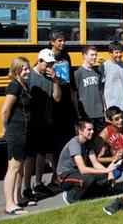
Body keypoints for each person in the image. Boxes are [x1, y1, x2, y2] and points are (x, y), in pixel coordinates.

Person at [23, 49, 62, 201]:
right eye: (47, 63)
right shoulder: (29, 75)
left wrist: (55, 81)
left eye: (52, 64)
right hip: (32, 121)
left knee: (42, 154)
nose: (49, 66)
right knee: (30, 156)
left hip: (46, 120)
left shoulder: (50, 78)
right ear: (39, 61)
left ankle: (38, 183)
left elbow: (57, 98)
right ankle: (26, 187)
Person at [56, 120, 118, 204]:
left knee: (103, 178)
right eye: (89, 129)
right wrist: (106, 170)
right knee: (89, 179)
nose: (92, 132)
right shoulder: (75, 143)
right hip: (64, 177)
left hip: (77, 173)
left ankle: (87, 196)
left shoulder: (88, 142)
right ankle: (70, 196)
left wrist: (109, 173)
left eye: (92, 129)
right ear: (80, 131)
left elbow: (95, 163)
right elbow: (83, 169)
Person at [1, 57, 33, 215]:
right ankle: (9, 204)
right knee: (13, 168)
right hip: (16, 132)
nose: (27, 71)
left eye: (28, 68)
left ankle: (18, 198)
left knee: (20, 166)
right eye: (24, 69)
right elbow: (5, 111)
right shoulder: (14, 86)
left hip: (24, 131)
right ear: (16, 71)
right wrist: (5, 128)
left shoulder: (23, 85)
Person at [49, 29, 77, 172]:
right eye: (59, 40)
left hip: (66, 99)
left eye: (63, 40)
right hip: (54, 101)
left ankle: (69, 167)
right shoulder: (48, 56)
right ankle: (55, 171)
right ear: (52, 42)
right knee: (56, 139)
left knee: (68, 135)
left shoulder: (66, 55)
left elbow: (70, 79)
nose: (63, 43)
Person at [74, 46, 106, 135]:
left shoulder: (98, 73)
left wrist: (104, 109)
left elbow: (101, 92)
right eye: (92, 55)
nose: (95, 57)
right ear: (84, 56)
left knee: (100, 139)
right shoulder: (77, 73)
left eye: (95, 55)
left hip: (99, 113)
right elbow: (75, 94)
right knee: (87, 140)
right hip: (86, 113)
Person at [99, 41, 123, 123]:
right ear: (110, 53)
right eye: (116, 52)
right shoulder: (104, 66)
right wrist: (104, 107)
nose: (119, 54)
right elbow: (101, 89)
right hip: (111, 106)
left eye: (121, 52)